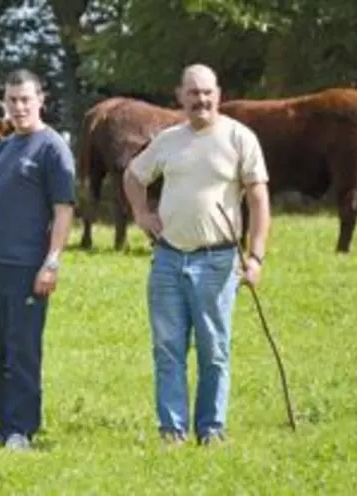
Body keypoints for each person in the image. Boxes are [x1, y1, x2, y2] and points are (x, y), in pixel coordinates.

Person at [123, 63, 271, 446]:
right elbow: (134, 176)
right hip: (169, 259)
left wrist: (255, 258)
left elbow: (258, 200)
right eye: (193, 93)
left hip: (218, 261)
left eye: (207, 92)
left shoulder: (240, 138)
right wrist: (142, 213)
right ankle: (172, 431)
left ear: (218, 94)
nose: (201, 100)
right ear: (180, 96)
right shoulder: (169, 140)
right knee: (168, 348)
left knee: (214, 350)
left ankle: (211, 429)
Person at [0, 69, 75, 451]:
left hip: (29, 267)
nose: (19, 107)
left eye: (26, 99)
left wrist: (51, 262)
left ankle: (22, 430)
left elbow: (63, 211)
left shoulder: (53, 148)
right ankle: (4, 422)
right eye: (12, 100)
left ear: (42, 100)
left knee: (22, 349)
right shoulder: (4, 149)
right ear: (3, 104)